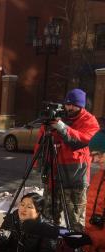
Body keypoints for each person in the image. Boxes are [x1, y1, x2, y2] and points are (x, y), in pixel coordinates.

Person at [35, 88, 100, 232]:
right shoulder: (58, 116)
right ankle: (51, 247)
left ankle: (75, 251)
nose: (69, 107)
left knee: (75, 219)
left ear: (81, 105)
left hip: (75, 176)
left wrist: (61, 126)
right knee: (49, 216)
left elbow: (80, 141)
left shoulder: (89, 120)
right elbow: (41, 142)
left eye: (73, 105)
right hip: (53, 175)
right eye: (67, 104)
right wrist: (40, 164)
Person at [65, 129, 105, 252]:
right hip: (96, 250)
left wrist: (90, 238)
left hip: (100, 245)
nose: (95, 160)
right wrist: (85, 238)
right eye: (93, 155)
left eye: (98, 155)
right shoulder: (99, 177)